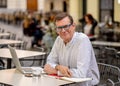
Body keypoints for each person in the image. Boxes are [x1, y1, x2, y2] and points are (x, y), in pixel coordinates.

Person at [44, 13, 100, 86]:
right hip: (65, 82)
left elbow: (81, 73)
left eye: (66, 26)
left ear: (73, 26)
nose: (63, 30)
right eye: (59, 28)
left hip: (85, 84)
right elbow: (49, 62)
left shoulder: (82, 40)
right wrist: (58, 67)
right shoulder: (59, 40)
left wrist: (56, 71)